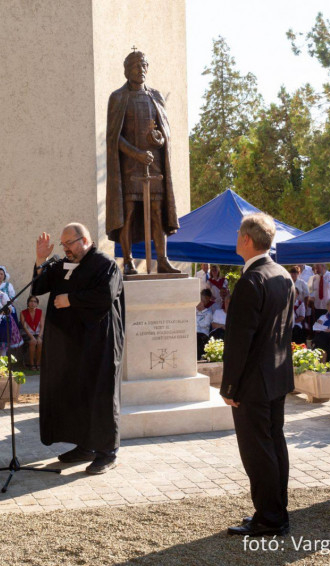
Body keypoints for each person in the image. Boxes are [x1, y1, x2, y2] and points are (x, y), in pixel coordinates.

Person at [220, 213, 295, 537]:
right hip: (276, 376)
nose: (237, 239)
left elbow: (239, 341)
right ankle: (276, 510)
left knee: (258, 451)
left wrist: (229, 386)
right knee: (274, 444)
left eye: (239, 234)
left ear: (247, 239)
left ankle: (270, 517)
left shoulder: (252, 280)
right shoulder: (282, 274)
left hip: (252, 382)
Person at [32, 222, 125, 475]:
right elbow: (39, 287)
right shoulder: (64, 265)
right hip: (75, 346)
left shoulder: (105, 264)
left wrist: (70, 300)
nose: (65, 249)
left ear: (84, 240)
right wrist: (41, 259)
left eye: (69, 244)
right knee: (79, 394)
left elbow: (105, 295)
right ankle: (85, 447)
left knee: (100, 396)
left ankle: (108, 453)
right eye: (63, 245)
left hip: (101, 344)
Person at [105, 50, 180, 275]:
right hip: (130, 167)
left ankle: (162, 260)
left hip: (154, 165)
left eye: (144, 65)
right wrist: (136, 154)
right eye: (137, 66)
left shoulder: (155, 96)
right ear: (127, 70)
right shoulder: (118, 97)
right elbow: (114, 136)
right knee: (128, 212)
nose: (141, 70)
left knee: (157, 212)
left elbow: (164, 131)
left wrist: (159, 139)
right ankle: (128, 261)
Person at [21, 295, 43, 369]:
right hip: (27, 334)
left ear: (37, 303)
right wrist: (32, 337)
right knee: (33, 342)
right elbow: (24, 327)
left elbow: (42, 326)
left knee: (40, 342)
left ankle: (38, 363)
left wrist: (39, 337)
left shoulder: (40, 312)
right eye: (31, 301)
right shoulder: (23, 313)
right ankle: (31, 363)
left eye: (35, 301)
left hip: (38, 333)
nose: (33, 303)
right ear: (28, 303)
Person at [195, 289, 215, 359]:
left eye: (201, 302)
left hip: (202, 334)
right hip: (194, 333)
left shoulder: (208, 313)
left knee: (197, 338)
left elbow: (205, 324)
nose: (198, 304)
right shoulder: (193, 311)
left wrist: (197, 322)